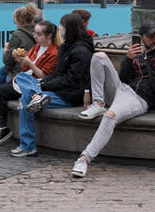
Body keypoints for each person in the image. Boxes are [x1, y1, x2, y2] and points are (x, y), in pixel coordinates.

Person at [70, 20, 155, 178]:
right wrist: (128, 59)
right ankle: (98, 103)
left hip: (139, 98)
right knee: (99, 56)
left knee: (110, 116)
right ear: (142, 37)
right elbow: (123, 79)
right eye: (151, 37)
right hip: (122, 89)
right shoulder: (136, 52)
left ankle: (84, 159)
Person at [11, 13, 94, 157]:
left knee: (25, 101)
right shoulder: (65, 47)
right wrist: (42, 82)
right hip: (57, 88)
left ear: (70, 29)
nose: (59, 28)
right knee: (21, 77)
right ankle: (36, 93)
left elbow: (70, 81)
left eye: (62, 26)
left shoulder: (81, 51)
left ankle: (28, 146)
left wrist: (44, 86)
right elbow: (57, 73)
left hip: (69, 95)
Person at [0, 20, 60, 146]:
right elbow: (25, 67)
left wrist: (29, 63)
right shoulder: (36, 47)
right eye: (35, 33)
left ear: (49, 36)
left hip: (32, 84)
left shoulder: (53, 52)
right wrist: (21, 61)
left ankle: (4, 128)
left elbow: (43, 75)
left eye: (39, 34)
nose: (35, 36)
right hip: (22, 79)